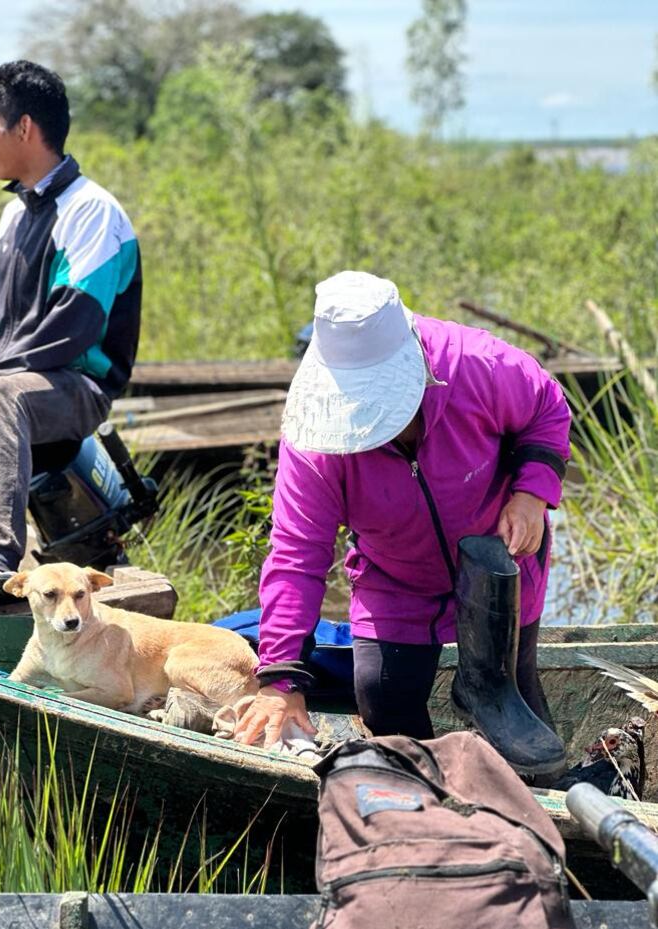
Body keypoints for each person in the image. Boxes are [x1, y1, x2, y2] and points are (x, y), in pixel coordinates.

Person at [234, 270, 571, 766]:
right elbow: (296, 557)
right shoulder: (316, 445)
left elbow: (546, 407)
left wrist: (531, 495)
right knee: (381, 697)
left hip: (499, 563)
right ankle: (437, 798)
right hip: (393, 578)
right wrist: (281, 681)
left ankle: (505, 734)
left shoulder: (477, 365)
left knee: (519, 712)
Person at [0, 61, 142, 611]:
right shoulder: (12, 217)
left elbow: (77, 321)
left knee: (2, 395)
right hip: (5, 398)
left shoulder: (92, 211)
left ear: (24, 128)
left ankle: (3, 559)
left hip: (75, 389)